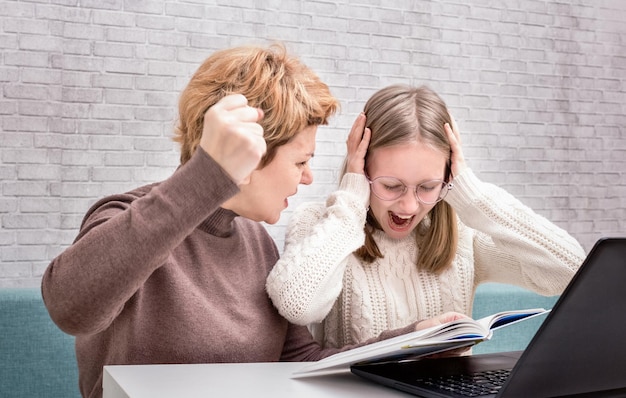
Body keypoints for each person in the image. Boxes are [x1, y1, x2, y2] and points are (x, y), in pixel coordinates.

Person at [42, 46, 465, 398]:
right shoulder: (130, 218)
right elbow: (70, 308)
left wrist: (411, 341)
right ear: (250, 153)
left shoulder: (256, 241)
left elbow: (301, 362)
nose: (307, 176)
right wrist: (209, 173)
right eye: (301, 160)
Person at [266, 84, 587, 349]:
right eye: (391, 186)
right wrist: (351, 198)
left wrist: (472, 195)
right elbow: (298, 304)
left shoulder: (464, 240)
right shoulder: (322, 224)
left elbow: (569, 269)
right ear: (362, 170)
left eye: (427, 187)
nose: (408, 206)